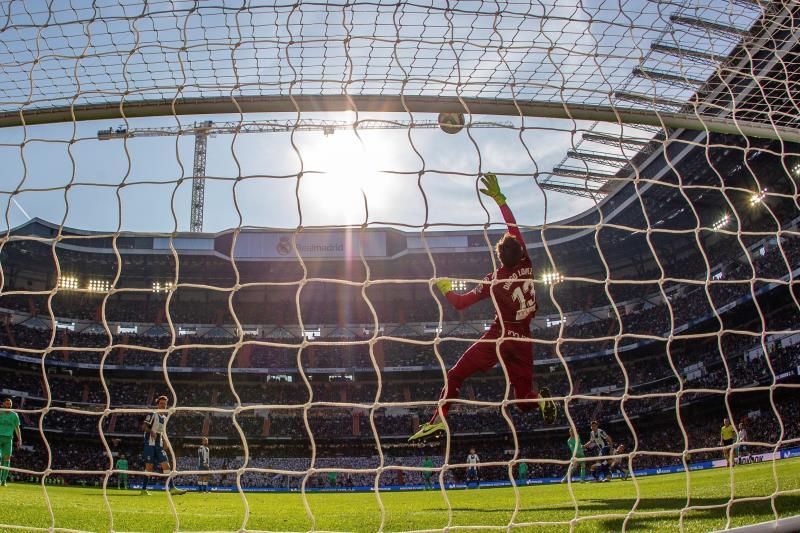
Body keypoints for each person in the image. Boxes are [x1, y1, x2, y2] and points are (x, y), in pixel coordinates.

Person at [409, 173, 557, 441]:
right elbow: (514, 228)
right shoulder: (527, 264)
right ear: (520, 253)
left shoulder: (494, 279)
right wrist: (501, 200)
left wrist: (445, 288)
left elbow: (462, 304)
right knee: (524, 401)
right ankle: (542, 402)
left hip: (500, 337)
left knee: (455, 375)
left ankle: (438, 420)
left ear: (499, 257)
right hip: (524, 338)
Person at [141, 395, 186, 495]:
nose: (163, 405)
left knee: (166, 465)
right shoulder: (153, 414)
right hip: (149, 444)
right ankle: (143, 489)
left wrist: (165, 442)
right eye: (161, 403)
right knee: (149, 467)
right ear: (157, 404)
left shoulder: (165, 418)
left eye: (164, 404)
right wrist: (150, 431)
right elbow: (143, 426)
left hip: (159, 445)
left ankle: (172, 488)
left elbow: (163, 432)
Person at [0, 398, 22, 487]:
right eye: (6, 404)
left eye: (9, 404)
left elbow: (17, 428)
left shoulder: (15, 415)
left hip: (8, 439)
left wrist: (19, 439)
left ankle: (3, 481)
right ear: (3, 404)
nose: (8, 405)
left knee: (6, 460)